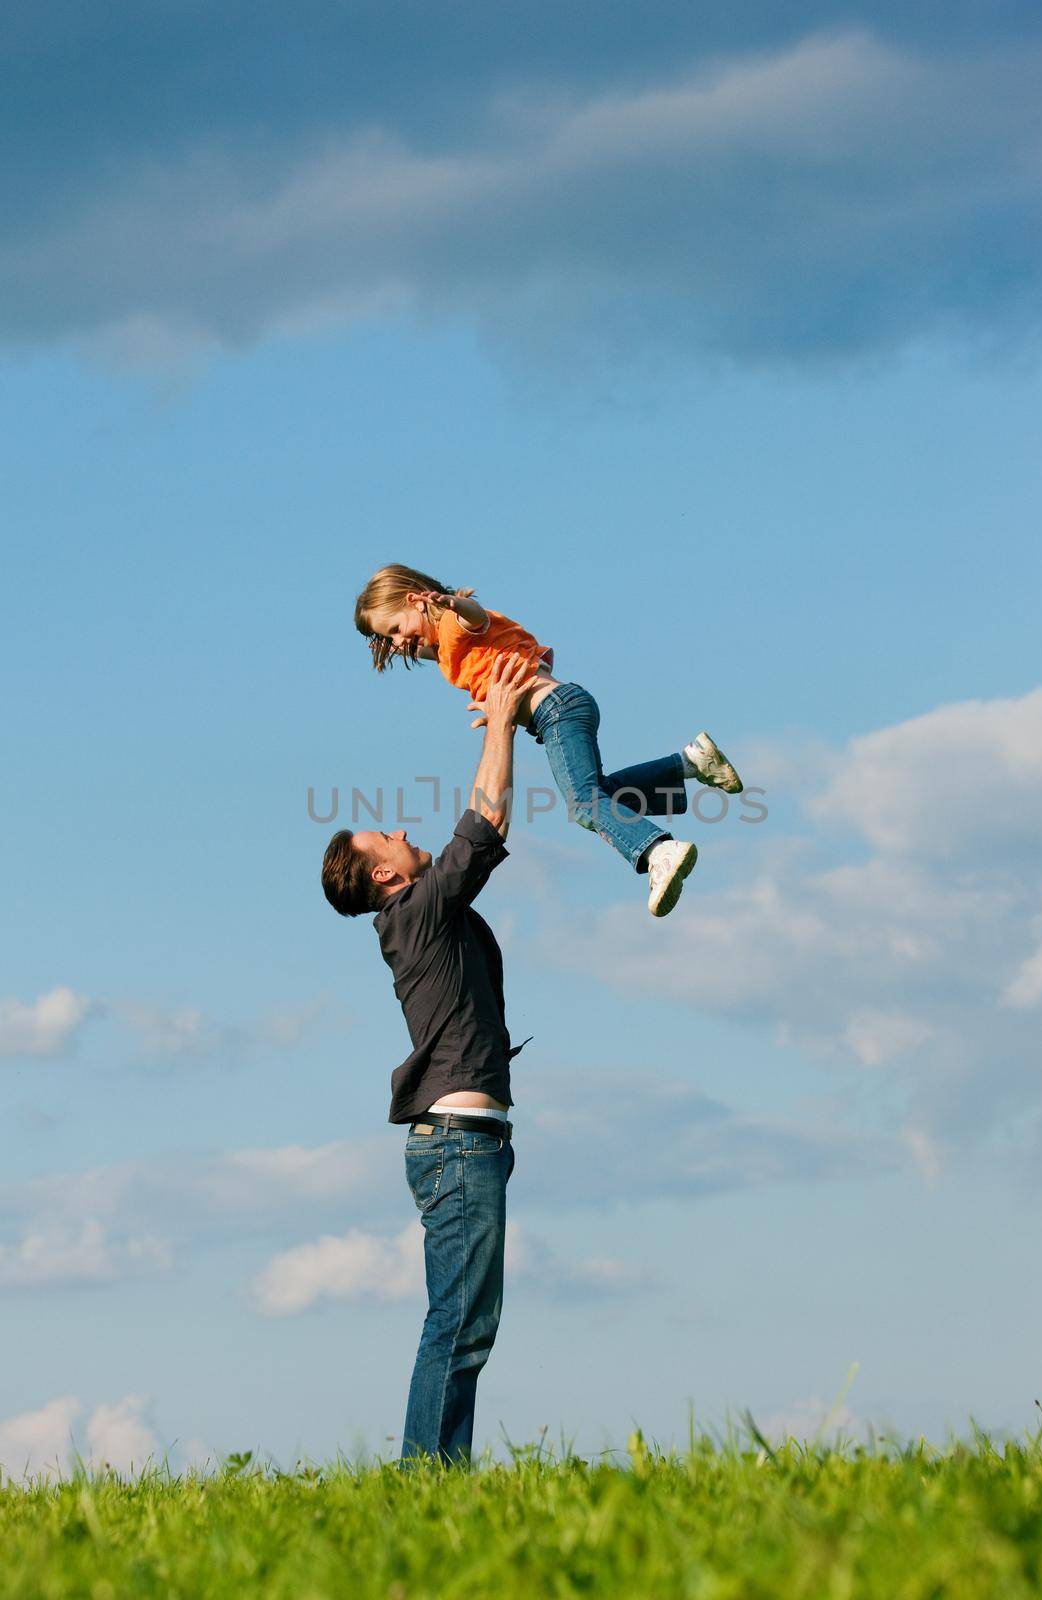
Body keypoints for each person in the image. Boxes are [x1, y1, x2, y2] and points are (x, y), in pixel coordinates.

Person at [320, 651, 540, 1464]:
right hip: (454, 1143)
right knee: (459, 1321)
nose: (405, 833)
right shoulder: (412, 916)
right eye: (390, 835)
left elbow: (473, 843)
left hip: (467, 1142)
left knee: (465, 1320)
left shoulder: (423, 918)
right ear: (385, 875)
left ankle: (434, 1476)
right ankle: (425, 1481)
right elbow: (481, 828)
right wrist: (505, 722)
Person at [354, 562, 743, 918]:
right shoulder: (445, 650)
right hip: (562, 708)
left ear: (416, 601)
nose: (398, 642)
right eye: (387, 639)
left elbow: (474, 616)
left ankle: (657, 850)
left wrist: (451, 602)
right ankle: (690, 762)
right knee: (598, 795)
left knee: (585, 804)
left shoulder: (456, 623)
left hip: (555, 711)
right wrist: (389, 640)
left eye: (394, 630)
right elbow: (429, 647)